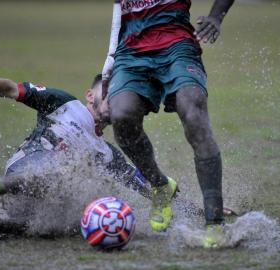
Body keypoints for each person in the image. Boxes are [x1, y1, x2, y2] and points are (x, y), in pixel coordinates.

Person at [100, 0, 235, 248]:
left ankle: (215, 223)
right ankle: (160, 186)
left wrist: (217, 17)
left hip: (177, 46)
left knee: (194, 116)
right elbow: (117, 16)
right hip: (131, 52)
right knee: (121, 116)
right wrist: (107, 70)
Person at [0, 75, 152, 239]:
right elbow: (10, 89)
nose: (112, 101)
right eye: (108, 93)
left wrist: (176, 204)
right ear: (90, 95)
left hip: (35, 203)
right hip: (23, 171)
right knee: (61, 174)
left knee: (73, 222)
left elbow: (142, 184)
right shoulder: (64, 104)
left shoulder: (107, 153)